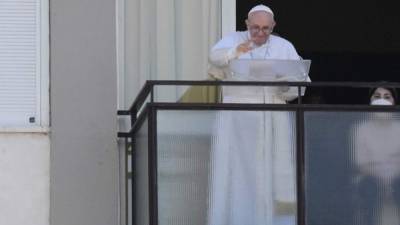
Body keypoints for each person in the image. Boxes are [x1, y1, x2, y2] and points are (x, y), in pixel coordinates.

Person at [207, 5, 309, 225]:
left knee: (272, 177)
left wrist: (285, 84)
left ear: (273, 26)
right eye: (255, 28)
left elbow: (301, 83)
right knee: (238, 178)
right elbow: (214, 58)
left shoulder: (284, 46)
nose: (260, 33)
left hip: (273, 119)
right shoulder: (233, 40)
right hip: (239, 119)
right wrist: (238, 50)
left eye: (265, 28)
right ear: (246, 25)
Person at [352, 86, 400, 225]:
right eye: (377, 96)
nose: (382, 100)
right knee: (368, 186)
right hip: (371, 178)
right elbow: (361, 164)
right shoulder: (361, 129)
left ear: (394, 103)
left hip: (397, 177)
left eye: (387, 97)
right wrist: (382, 181)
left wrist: (391, 180)